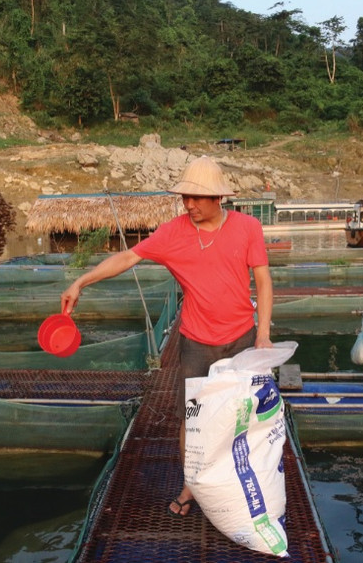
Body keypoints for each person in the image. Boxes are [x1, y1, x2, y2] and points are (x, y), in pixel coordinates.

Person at [60, 155, 273, 518]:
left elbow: (264, 280)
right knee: (191, 418)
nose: (189, 204)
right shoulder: (173, 233)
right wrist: (81, 281)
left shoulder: (247, 227)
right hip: (195, 341)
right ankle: (191, 485)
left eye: (197, 198)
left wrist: (263, 334)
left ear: (218, 198)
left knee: (243, 415)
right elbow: (127, 258)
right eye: (185, 197)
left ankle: (240, 483)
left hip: (241, 338)